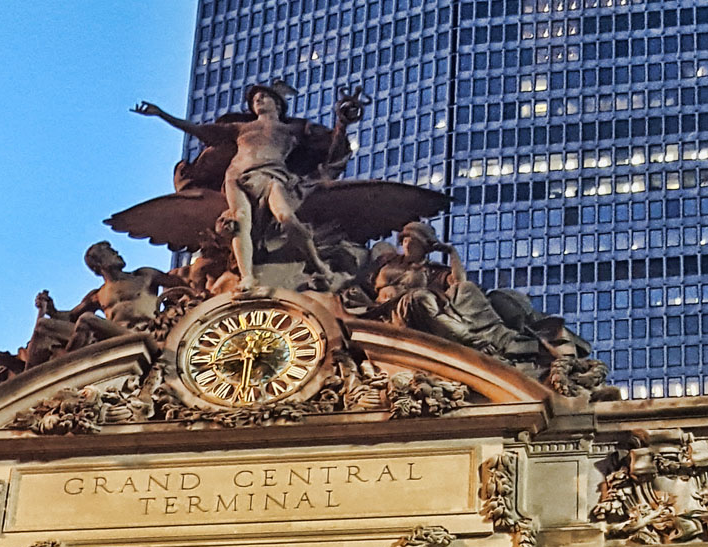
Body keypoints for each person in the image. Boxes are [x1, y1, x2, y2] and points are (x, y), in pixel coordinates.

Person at [132, 85, 336, 291]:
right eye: (255, 98)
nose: (258, 100)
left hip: (272, 175)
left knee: (287, 218)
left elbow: (332, 145)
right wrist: (161, 114)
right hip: (236, 176)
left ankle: (317, 264)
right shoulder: (241, 128)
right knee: (239, 223)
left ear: (278, 103)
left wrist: (345, 121)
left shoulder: (295, 129)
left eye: (264, 96)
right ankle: (247, 277)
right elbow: (198, 130)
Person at [29, 242, 186, 365]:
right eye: (110, 252)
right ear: (99, 264)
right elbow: (70, 316)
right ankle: (31, 378)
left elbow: (182, 286)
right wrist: (51, 309)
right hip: (113, 338)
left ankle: (67, 365)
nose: (117, 253)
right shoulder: (98, 295)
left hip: (141, 334)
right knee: (44, 325)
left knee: (87, 320)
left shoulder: (144, 275)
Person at [370, 222, 514, 355]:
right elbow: (374, 287)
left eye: (413, 242)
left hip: (420, 309)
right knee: (422, 297)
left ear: (425, 247)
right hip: (393, 310)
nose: (407, 245)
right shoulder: (389, 263)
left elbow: (459, 281)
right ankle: (471, 339)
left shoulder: (433, 270)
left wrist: (451, 252)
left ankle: (497, 333)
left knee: (466, 287)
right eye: (405, 241)